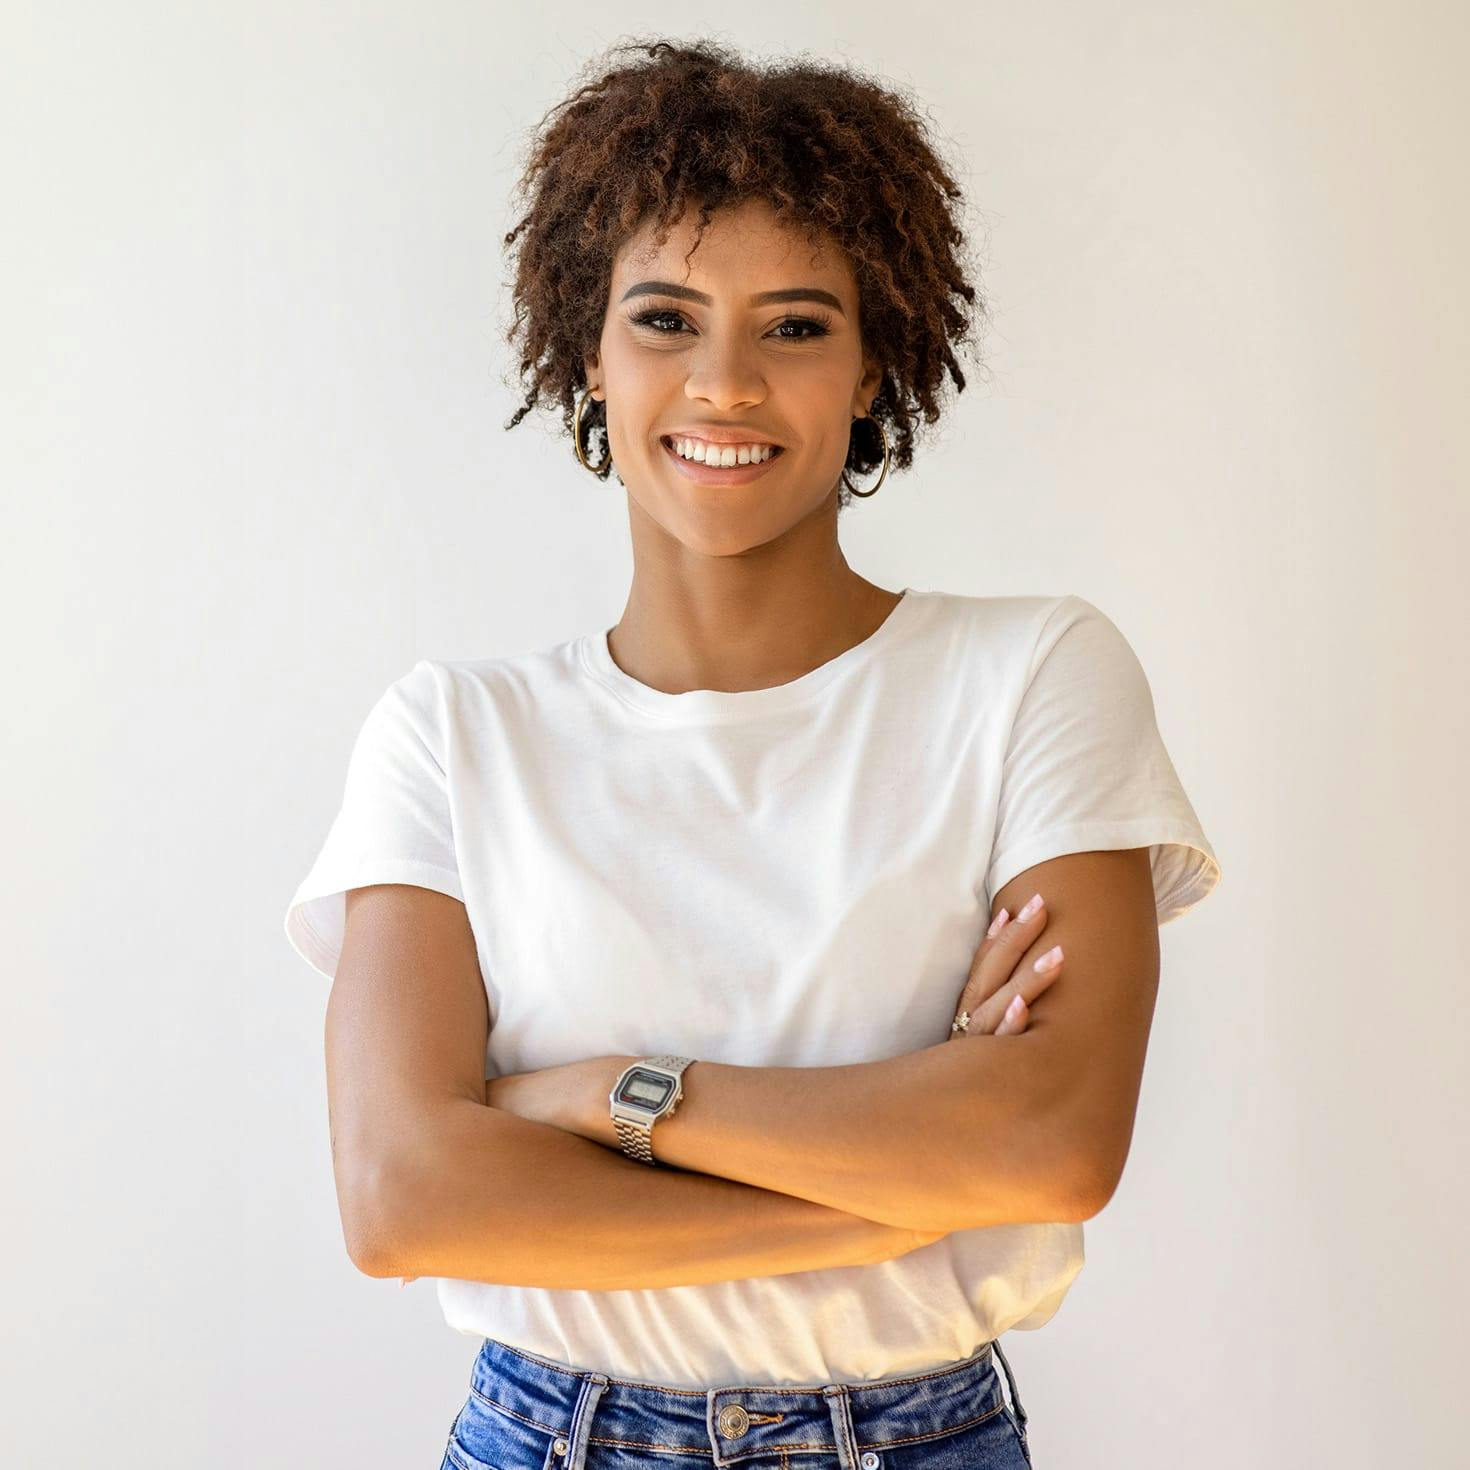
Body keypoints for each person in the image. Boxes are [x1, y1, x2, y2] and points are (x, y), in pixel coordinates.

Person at [283, 38, 1222, 1470]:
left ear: (872, 365)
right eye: (664, 318)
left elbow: (1049, 1143)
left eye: (793, 327)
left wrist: (604, 1096)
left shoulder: (1028, 674)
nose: (724, 383)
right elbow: (405, 1198)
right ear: (584, 352)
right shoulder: (453, 733)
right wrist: (899, 1189)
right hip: (547, 1435)